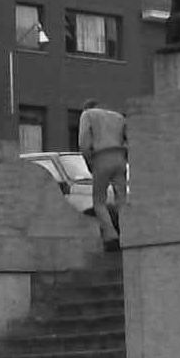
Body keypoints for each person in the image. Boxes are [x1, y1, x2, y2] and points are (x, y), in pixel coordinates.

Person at [77, 98, 128, 251]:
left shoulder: (87, 115)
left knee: (99, 201)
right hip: (120, 157)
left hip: (101, 157)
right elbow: (129, 138)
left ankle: (111, 234)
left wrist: (89, 160)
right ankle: (127, 232)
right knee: (122, 199)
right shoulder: (118, 117)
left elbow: (84, 142)